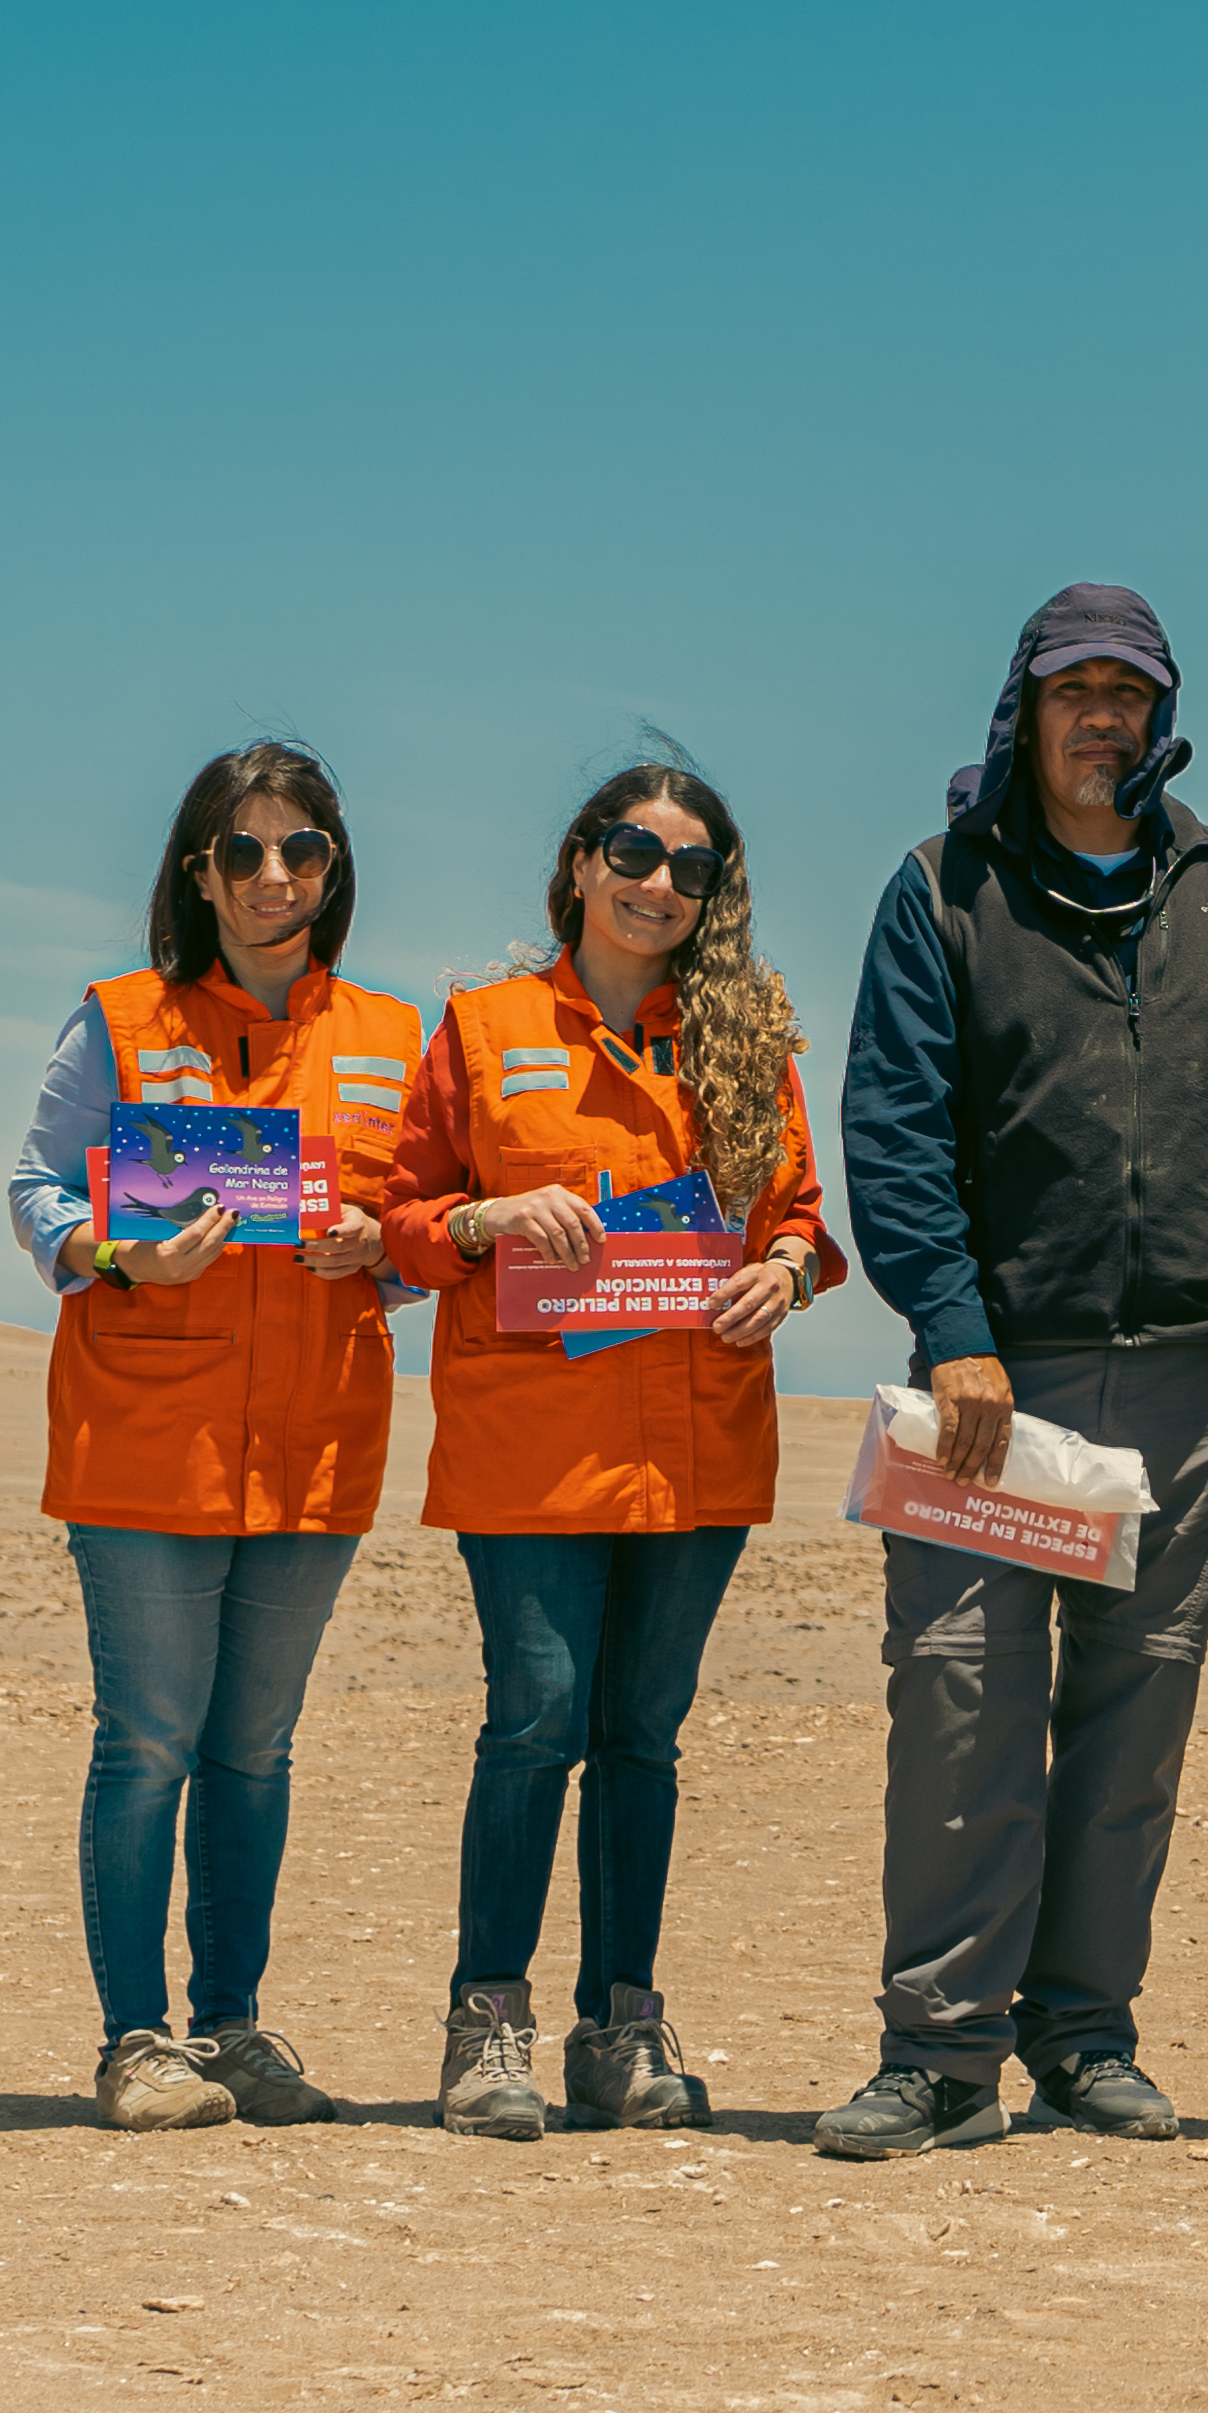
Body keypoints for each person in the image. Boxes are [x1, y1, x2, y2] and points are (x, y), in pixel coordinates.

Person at [826, 586, 1208, 2157]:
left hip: (1190, 1380)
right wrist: (953, 1328)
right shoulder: (944, 891)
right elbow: (897, 1130)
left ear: (1164, 715)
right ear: (1026, 708)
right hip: (997, 1391)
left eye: (1133, 692)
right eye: (1077, 691)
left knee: (1134, 1727)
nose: (1104, 717)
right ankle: (938, 2050)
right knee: (960, 1708)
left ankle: (1082, 2035)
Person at [386, 763, 841, 2138]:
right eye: (634, 853)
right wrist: (486, 1220)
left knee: (644, 1737)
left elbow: (803, 1218)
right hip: (533, 1445)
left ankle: (621, 2026)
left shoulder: (750, 1040)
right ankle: (488, 2026)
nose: (659, 886)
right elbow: (406, 1217)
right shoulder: (485, 1024)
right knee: (536, 1720)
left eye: (692, 867)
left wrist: (788, 1270)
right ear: (581, 863)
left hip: (696, 1447)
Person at [11, 743, 423, 2135]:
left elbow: (424, 1221)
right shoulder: (119, 1018)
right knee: (150, 1739)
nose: (271, 877)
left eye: (300, 850)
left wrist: (388, 1244)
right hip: (149, 1432)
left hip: (318, 1436)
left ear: (333, 868)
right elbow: (35, 1184)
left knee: (255, 1748)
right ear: (198, 869)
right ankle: (137, 2041)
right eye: (241, 851)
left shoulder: (386, 1034)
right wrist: (118, 1257)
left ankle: (232, 2026)